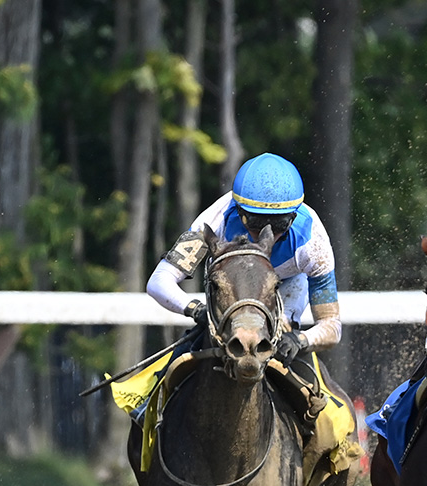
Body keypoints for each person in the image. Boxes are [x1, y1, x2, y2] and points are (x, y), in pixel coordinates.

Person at [144, 152, 342, 432]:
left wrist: (301, 339)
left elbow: (332, 326)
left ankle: (334, 439)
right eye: (257, 223)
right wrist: (194, 309)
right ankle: (148, 409)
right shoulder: (215, 221)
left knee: (288, 344)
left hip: (285, 287)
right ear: (239, 212)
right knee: (185, 354)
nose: (268, 235)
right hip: (231, 294)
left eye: (280, 224)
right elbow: (159, 280)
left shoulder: (313, 244)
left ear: (294, 216)